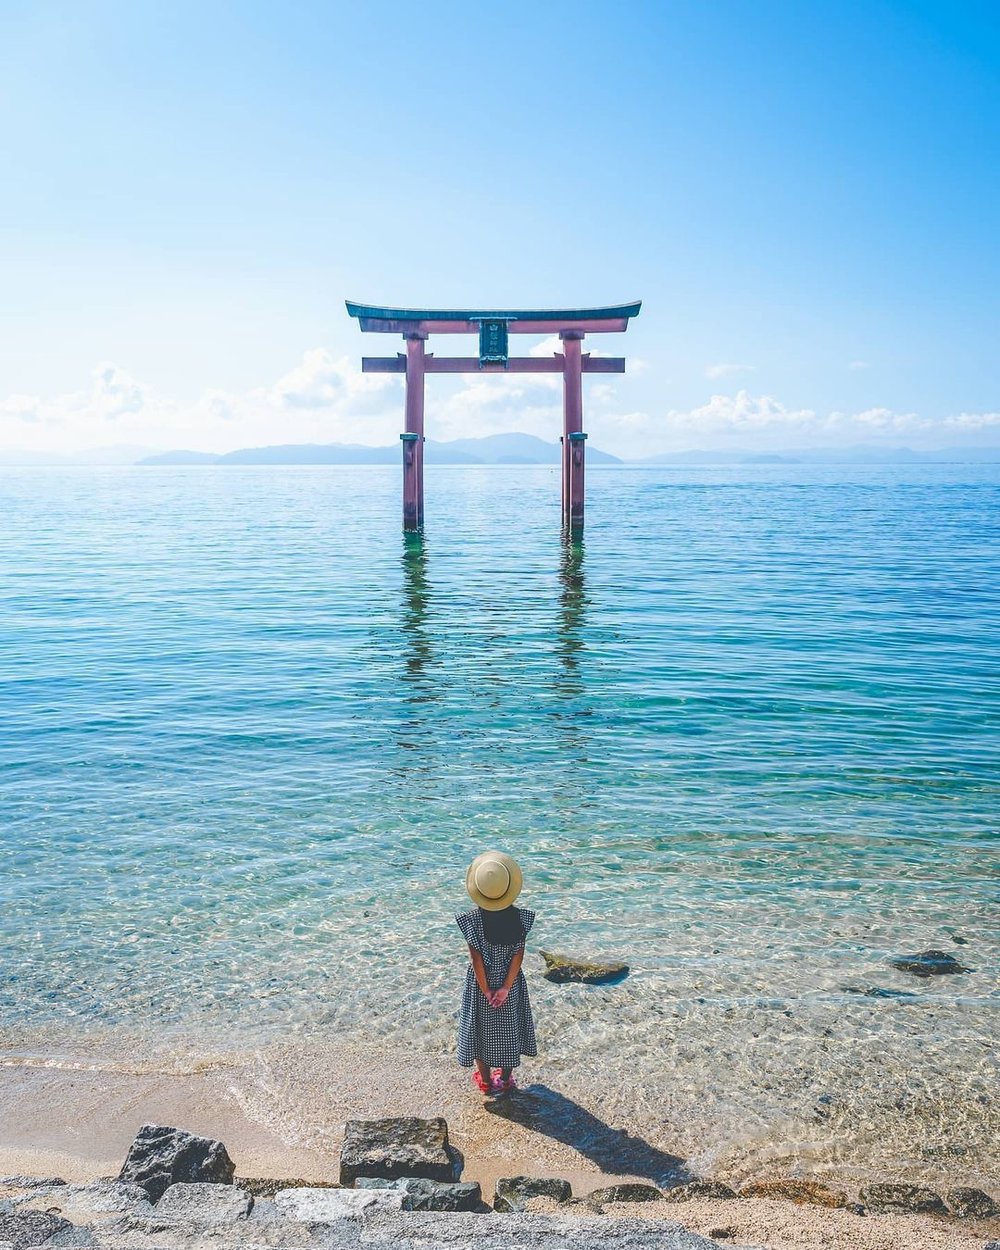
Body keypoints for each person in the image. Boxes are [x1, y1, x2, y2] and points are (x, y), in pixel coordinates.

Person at [456, 850, 537, 1095]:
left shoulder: (471, 921)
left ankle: (486, 1081)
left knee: (481, 1032)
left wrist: (487, 990)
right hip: (509, 983)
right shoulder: (521, 919)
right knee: (510, 1029)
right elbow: (518, 956)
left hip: (482, 985)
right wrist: (504, 988)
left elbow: (477, 960)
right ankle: (505, 1078)